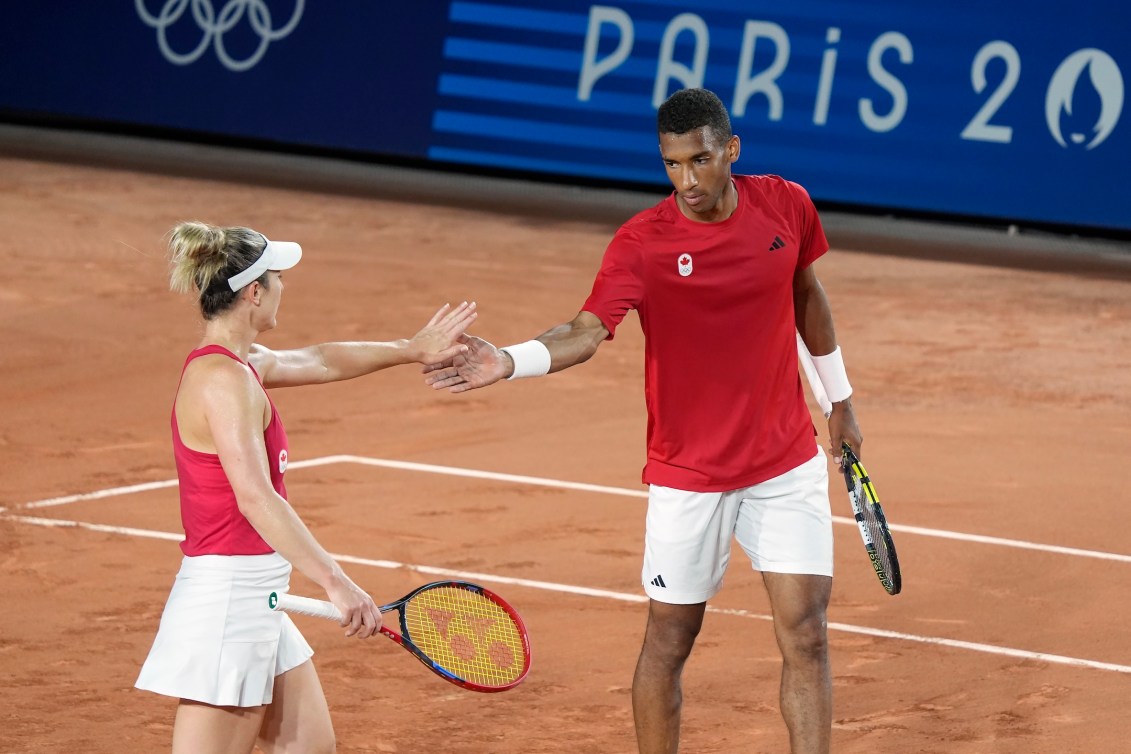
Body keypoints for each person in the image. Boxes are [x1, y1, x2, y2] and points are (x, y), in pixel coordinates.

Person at [424, 88, 861, 754]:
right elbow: (585, 330)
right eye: (671, 164)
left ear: (730, 151)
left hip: (784, 460)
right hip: (689, 474)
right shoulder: (643, 243)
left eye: (699, 160)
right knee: (669, 639)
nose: (686, 179)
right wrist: (508, 360)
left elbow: (805, 294)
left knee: (806, 633)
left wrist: (840, 401)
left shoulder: (785, 204)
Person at [136, 221, 476, 754]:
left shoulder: (240, 365)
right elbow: (255, 497)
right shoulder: (222, 382)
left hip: (258, 595)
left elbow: (319, 359)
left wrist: (410, 349)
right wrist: (335, 581)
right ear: (254, 292)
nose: (282, 288)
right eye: (277, 278)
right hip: (229, 602)